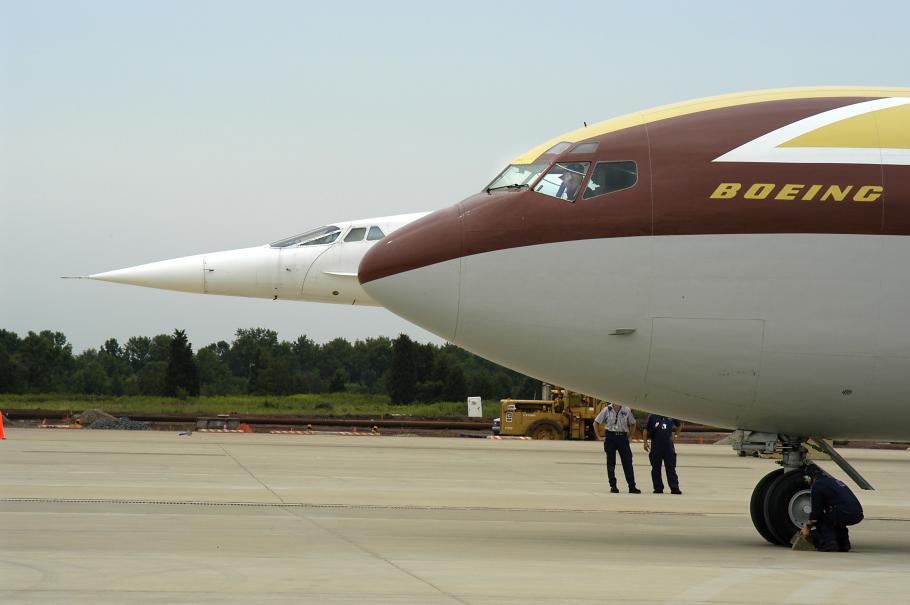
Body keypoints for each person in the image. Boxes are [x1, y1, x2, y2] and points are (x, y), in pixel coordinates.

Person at [799, 464, 864, 552]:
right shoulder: (832, 481)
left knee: (820, 518)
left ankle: (829, 544)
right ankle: (843, 544)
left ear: (809, 478)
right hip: (857, 513)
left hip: (845, 513)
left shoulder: (817, 485)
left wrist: (807, 527)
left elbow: (816, 513)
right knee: (834, 517)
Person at [593, 402, 640, 493]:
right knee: (611, 462)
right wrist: (599, 437)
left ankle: (632, 486)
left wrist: (630, 436)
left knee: (627, 462)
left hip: (622, 437)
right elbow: (596, 422)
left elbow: (633, 423)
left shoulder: (626, 409)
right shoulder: (607, 409)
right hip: (611, 436)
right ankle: (613, 486)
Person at [643, 414, 682, 494]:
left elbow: (680, 425)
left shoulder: (670, 415)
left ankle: (674, 487)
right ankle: (658, 487)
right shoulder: (652, 416)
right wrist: (645, 442)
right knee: (655, 468)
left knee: (671, 467)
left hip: (668, 446)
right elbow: (646, 429)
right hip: (656, 445)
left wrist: (676, 435)